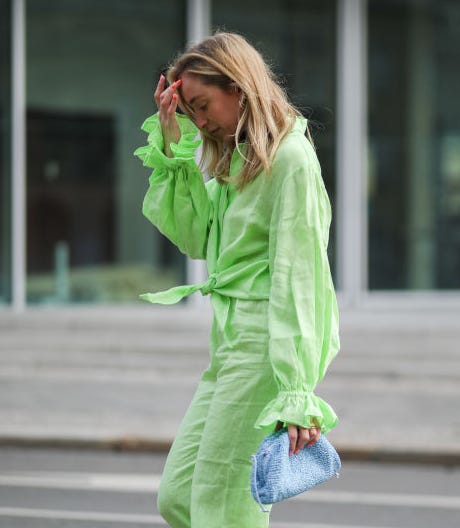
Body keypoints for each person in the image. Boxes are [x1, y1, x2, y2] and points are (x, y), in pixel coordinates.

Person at [134, 32, 340, 528]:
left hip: (263, 349)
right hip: (228, 345)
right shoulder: (238, 160)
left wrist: (296, 389)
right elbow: (195, 238)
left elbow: (301, 277)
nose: (200, 122)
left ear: (240, 87)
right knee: (180, 498)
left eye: (202, 106)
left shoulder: (289, 159)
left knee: (222, 511)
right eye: (190, 112)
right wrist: (173, 142)